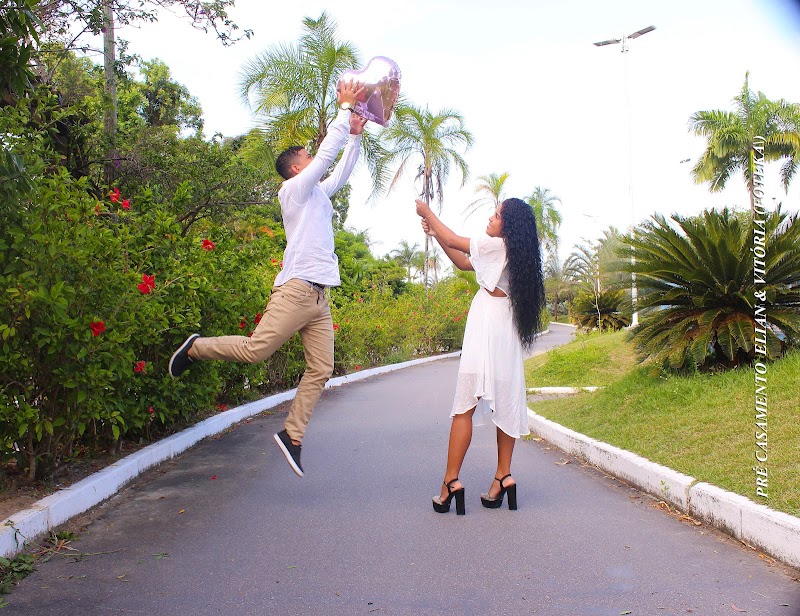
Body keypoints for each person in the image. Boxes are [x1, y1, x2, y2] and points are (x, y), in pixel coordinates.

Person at [168, 80, 367, 478]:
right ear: (296, 167)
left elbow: (340, 170)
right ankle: (196, 349)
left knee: (321, 368)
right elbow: (327, 156)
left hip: (319, 298)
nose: (312, 159)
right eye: (306, 157)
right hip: (296, 289)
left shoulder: (318, 197)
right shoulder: (293, 191)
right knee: (257, 349)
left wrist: (356, 138)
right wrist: (344, 111)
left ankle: (292, 435)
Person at [415, 197, 545, 515]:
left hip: (486, 326)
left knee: (465, 405)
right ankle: (503, 476)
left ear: (508, 226)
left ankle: (450, 482)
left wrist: (428, 212)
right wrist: (435, 234)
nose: (491, 217)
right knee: (506, 401)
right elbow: (462, 261)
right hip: (506, 330)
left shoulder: (494, 245)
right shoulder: (513, 253)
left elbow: (454, 239)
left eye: (498, 215)